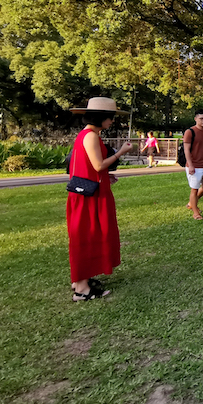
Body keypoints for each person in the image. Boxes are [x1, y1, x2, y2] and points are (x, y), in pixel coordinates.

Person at [66, 97, 132, 301]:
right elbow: (98, 165)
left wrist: (105, 176)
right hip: (90, 198)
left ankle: (81, 280)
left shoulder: (87, 134)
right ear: (100, 117)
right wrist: (121, 152)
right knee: (87, 237)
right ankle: (82, 289)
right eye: (110, 117)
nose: (112, 121)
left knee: (90, 236)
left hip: (89, 192)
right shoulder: (91, 136)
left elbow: (89, 166)